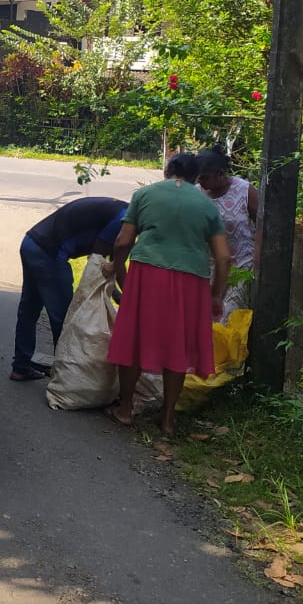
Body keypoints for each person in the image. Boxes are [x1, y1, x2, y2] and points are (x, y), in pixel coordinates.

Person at [105, 153, 230, 435]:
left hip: (147, 272)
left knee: (135, 338)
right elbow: (223, 257)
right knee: (179, 346)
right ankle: (168, 419)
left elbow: (123, 240)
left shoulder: (145, 195)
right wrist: (216, 294)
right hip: (192, 281)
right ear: (196, 177)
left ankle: (125, 410)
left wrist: (119, 271)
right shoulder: (206, 205)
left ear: (168, 170)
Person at [11, 196, 128, 381]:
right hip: (49, 253)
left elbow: (115, 258)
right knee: (64, 317)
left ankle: (21, 366)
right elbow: (99, 259)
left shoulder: (120, 211)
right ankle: (64, 377)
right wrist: (117, 294)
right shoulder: (122, 219)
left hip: (31, 243)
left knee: (29, 311)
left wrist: (121, 292)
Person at [196, 149, 259, 321]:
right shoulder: (196, 194)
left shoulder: (245, 191)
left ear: (220, 174)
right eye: (198, 177)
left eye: (204, 177)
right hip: (207, 267)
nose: (200, 182)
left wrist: (257, 254)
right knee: (203, 319)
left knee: (227, 317)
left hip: (240, 265)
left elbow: (263, 225)